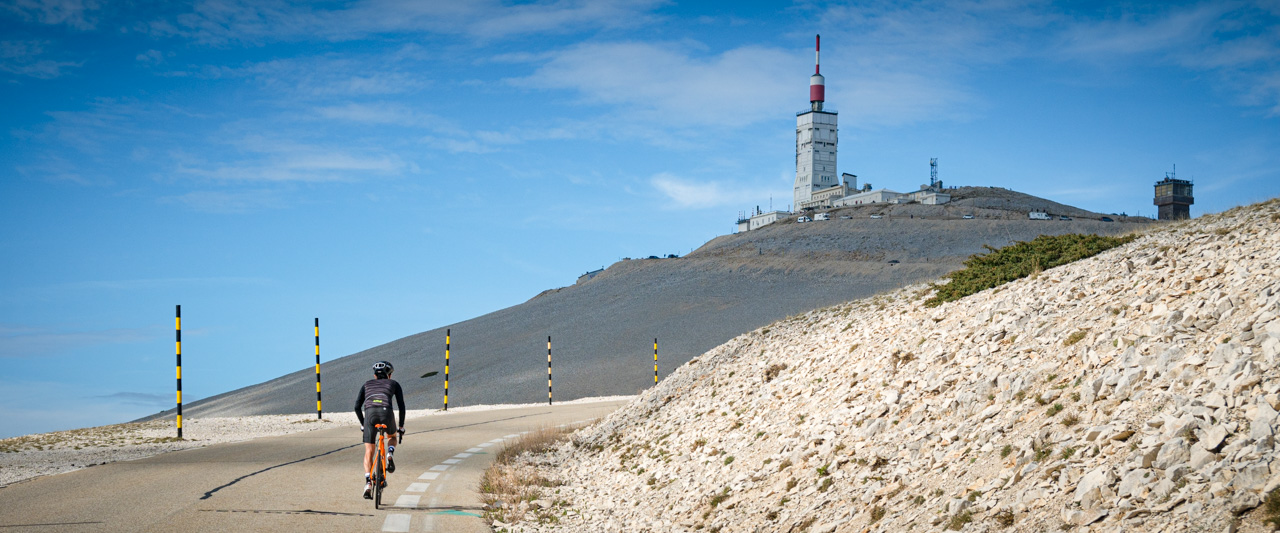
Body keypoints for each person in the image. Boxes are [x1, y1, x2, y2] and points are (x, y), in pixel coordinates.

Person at [355, 360, 406, 499]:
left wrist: (362, 424)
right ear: (389, 375)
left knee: (369, 450)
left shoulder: (367, 384)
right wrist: (401, 427)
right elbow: (401, 406)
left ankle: (368, 484)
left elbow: (356, 406)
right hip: (386, 413)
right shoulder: (394, 384)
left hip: (370, 415)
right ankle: (390, 453)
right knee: (392, 437)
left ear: (375, 375)